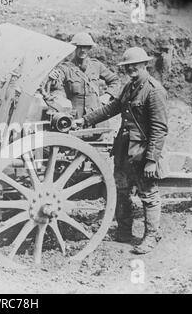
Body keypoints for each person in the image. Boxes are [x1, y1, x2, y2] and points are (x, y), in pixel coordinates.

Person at [74, 47, 168, 254]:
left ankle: (151, 236)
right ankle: (124, 232)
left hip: (142, 152)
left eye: (135, 65)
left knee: (148, 194)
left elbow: (159, 129)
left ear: (145, 65)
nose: (130, 69)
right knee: (121, 190)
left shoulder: (154, 90)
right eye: (127, 66)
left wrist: (152, 160)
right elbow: (112, 108)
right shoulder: (129, 87)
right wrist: (85, 120)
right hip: (124, 149)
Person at [47, 32, 121, 126]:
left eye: (86, 47)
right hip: (75, 120)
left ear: (90, 48)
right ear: (74, 47)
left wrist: (108, 95)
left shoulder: (96, 65)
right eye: (79, 47)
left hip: (96, 120)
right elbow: (56, 84)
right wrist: (52, 78)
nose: (82, 50)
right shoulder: (65, 68)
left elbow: (115, 80)